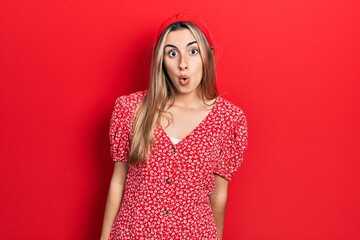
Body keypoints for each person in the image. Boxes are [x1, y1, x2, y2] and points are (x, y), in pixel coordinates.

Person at [100, 13, 248, 240]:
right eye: (172, 53)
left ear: (207, 57)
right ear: (162, 61)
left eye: (193, 51)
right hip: (134, 234)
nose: (183, 64)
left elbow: (219, 194)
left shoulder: (229, 119)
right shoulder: (131, 109)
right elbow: (118, 181)